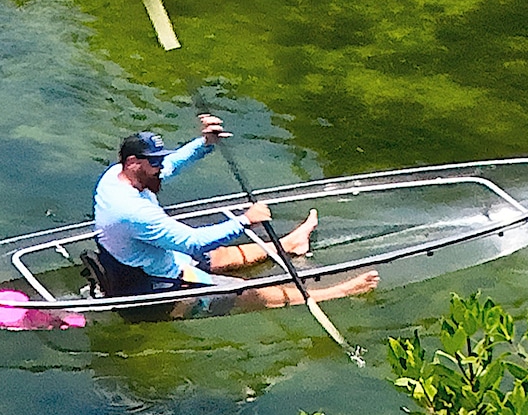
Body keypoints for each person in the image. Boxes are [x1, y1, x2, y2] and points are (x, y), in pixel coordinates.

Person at [87, 114, 367, 311]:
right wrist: (246, 220)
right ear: (134, 162)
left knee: (219, 255)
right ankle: (335, 293)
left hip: (157, 258)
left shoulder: (118, 175)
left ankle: (290, 244)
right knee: (246, 292)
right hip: (157, 284)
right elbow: (193, 242)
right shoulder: (132, 211)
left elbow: (172, 165)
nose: (161, 166)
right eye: (154, 162)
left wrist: (205, 144)